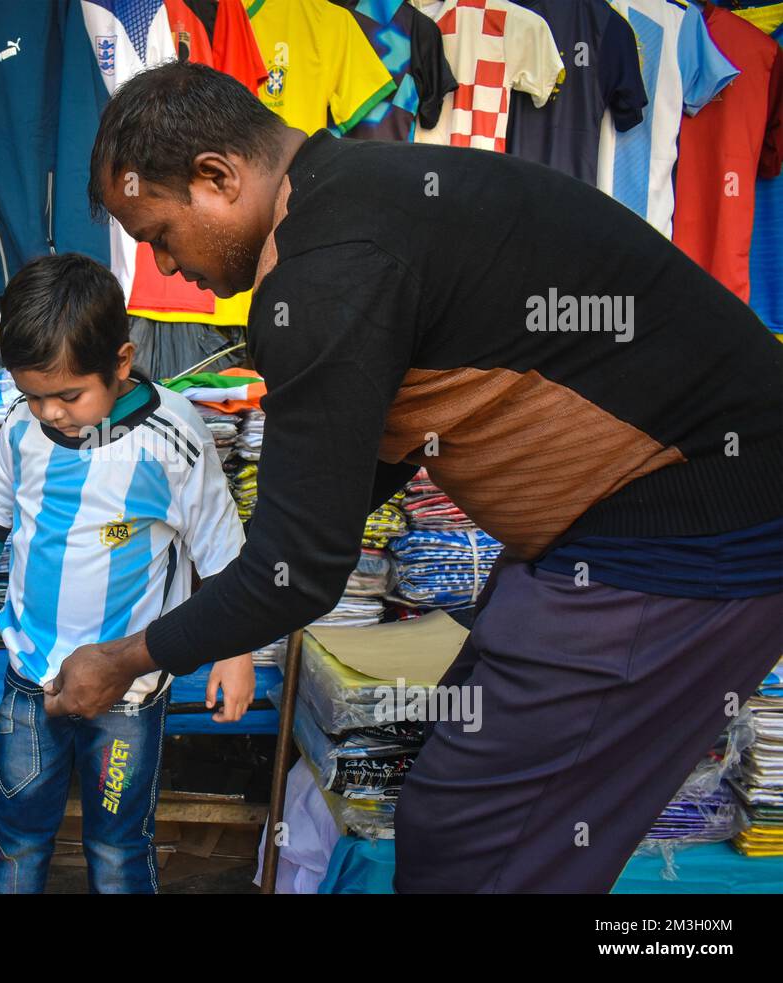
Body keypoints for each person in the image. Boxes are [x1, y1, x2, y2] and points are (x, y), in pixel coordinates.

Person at [52, 61, 783, 893]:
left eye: (159, 236)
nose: (168, 267)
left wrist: (126, 657)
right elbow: (349, 480)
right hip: (624, 521)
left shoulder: (325, 272)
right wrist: (239, 582)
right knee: (463, 795)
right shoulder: (354, 198)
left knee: (478, 835)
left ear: (218, 177)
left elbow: (302, 572)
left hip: (699, 526)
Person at [0, 252, 255, 894]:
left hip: (129, 691)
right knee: (20, 829)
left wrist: (236, 652)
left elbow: (222, 551)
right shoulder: (21, 430)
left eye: (68, 395)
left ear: (121, 361)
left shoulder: (172, 437)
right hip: (31, 676)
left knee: (116, 843)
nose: (50, 411)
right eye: (34, 394)